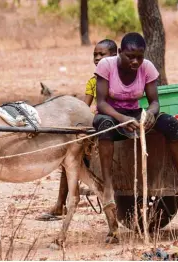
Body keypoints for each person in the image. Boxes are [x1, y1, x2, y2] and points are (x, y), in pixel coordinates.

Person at [93, 32, 178, 210]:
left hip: (134, 112)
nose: (135, 62)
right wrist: (122, 119)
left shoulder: (147, 67)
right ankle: (108, 187)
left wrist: (150, 113)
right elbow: (101, 103)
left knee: (171, 123)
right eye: (130, 57)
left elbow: (155, 102)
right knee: (105, 126)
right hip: (110, 114)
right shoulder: (106, 65)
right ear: (119, 52)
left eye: (139, 57)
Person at [35, 39, 118, 221]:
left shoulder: (122, 78)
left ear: (114, 56)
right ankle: (60, 204)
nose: (97, 58)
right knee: (69, 156)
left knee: (70, 159)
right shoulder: (93, 81)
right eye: (95, 55)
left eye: (101, 54)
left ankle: (60, 205)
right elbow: (83, 108)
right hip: (96, 124)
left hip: (114, 124)